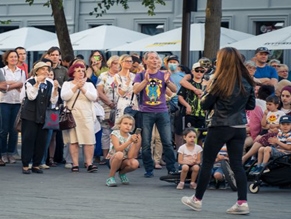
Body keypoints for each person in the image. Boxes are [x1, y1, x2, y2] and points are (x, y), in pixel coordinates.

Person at [181, 47, 255, 215]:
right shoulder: (247, 80)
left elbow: (205, 104)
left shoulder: (218, 80)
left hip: (220, 125)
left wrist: (206, 90)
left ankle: (197, 199)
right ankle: (242, 202)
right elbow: (250, 105)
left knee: (207, 162)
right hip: (239, 127)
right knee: (237, 164)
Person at [133, 51, 177, 178]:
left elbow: (173, 91)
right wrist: (145, 81)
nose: (155, 60)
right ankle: (149, 169)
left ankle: (171, 169)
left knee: (167, 141)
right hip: (146, 112)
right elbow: (135, 90)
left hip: (162, 110)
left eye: (157, 58)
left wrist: (168, 82)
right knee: (146, 143)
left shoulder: (164, 74)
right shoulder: (140, 75)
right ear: (145, 61)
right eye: (151, 58)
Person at [21, 62, 59, 174]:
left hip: (44, 114)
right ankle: (26, 164)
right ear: (37, 71)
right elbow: (31, 96)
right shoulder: (29, 82)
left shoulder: (50, 83)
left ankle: (36, 164)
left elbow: (53, 101)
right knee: (28, 139)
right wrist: (37, 83)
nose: (45, 72)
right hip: (30, 115)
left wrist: (56, 89)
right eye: (43, 70)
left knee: (41, 140)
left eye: (47, 70)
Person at [61, 63, 98, 173]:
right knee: (73, 141)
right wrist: (76, 87)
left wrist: (83, 89)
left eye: (83, 70)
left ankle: (89, 163)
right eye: (78, 70)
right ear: (73, 73)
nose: (81, 72)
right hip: (73, 115)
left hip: (86, 115)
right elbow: (64, 96)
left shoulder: (89, 85)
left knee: (89, 141)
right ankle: (75, 164)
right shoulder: (67, 84)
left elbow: (94, 97)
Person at [0, 50, 26, 164]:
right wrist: (16, 85)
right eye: (11, 57)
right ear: (6, 59)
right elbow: (2, 87)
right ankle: (2, 153)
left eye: (15, 57)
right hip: (4, 102)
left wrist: (10, 84)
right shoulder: (2, 71)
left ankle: (11, 152)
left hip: (17, 102)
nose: (14, 59)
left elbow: (23, 86)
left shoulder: (21, 72)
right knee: (3, 130)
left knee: (14, 130)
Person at [105, 115, 141, 187]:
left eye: (130, 124)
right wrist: (130, 141)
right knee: (119, 154)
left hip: (124, 160)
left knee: (135, 163)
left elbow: (130, 156)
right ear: (119, 125)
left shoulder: (131, 136)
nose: (128, 126)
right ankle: (111, 177)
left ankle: (122, 173)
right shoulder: (115, 133)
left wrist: (134, 143)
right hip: (112, 159)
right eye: (125, 123)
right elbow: (118, 149)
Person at [114, 54, 138, 121]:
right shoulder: (117, 76)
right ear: (121, 62)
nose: (129, 63)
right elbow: (121, 93)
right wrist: (128, 81)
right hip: (123, 104)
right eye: (127, 61)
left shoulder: (134, 76)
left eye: (131, 61)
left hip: (134, 103)